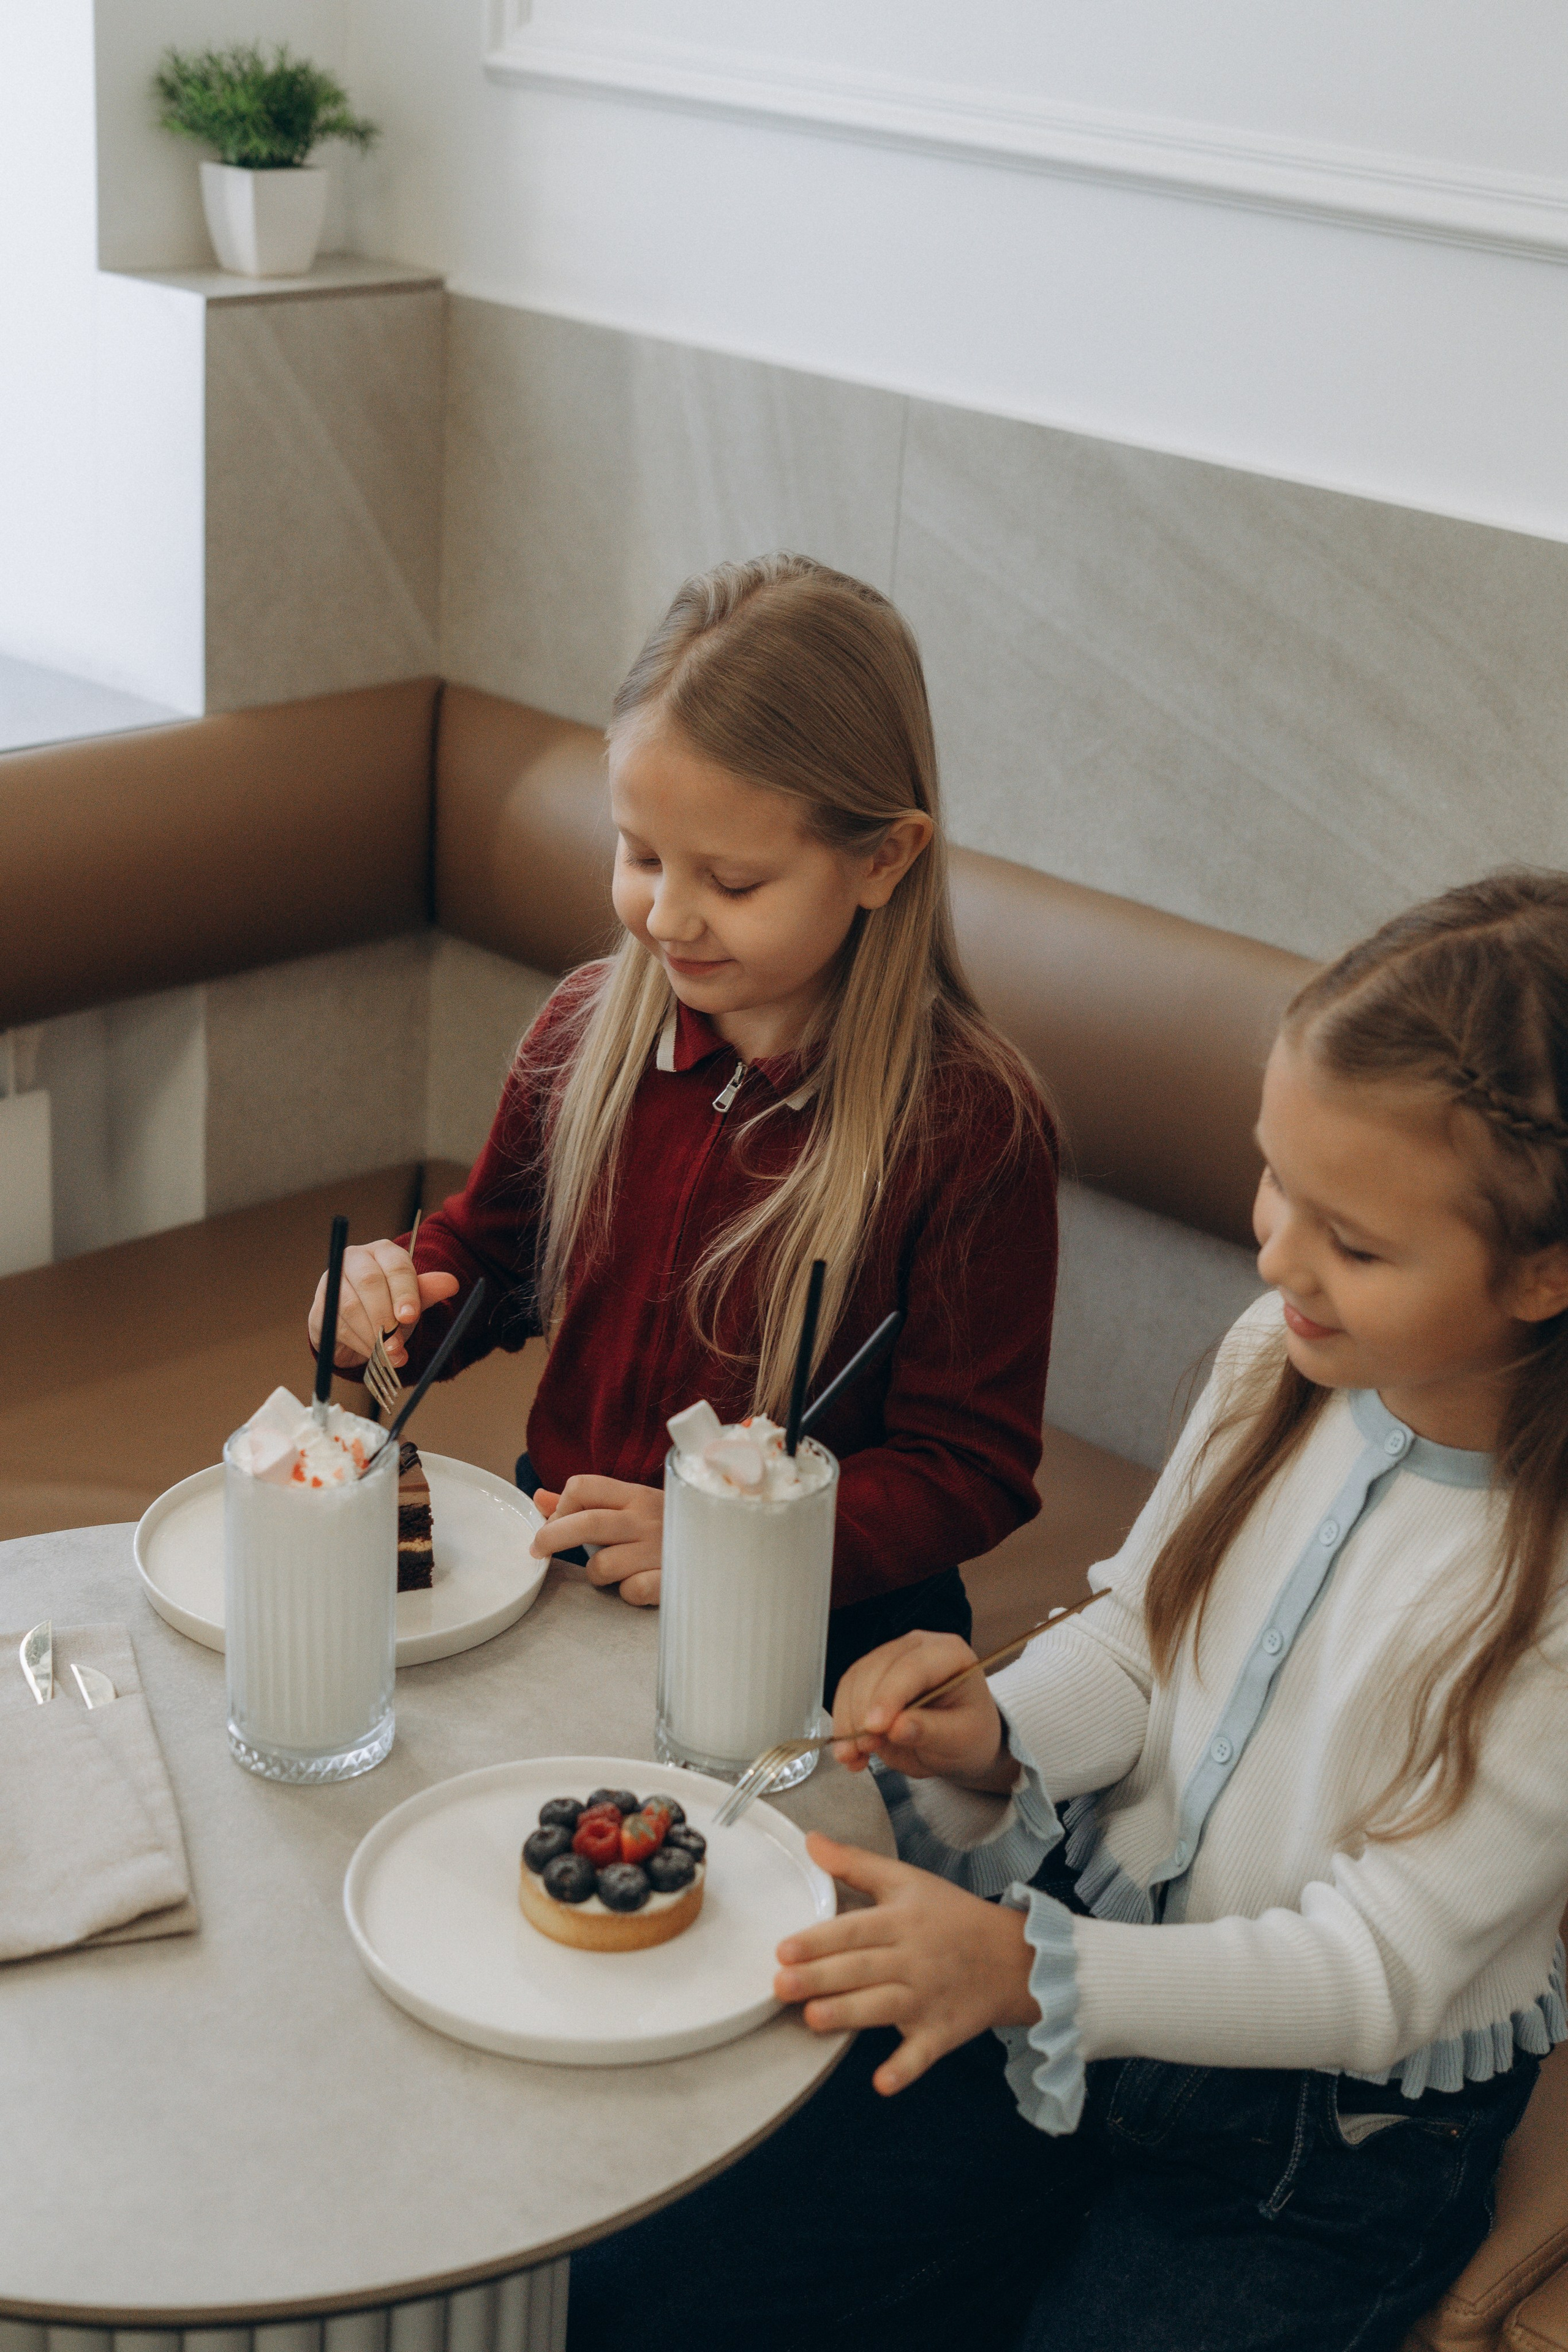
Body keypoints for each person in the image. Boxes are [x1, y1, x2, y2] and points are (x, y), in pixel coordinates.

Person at [568, 871, 1568, 2352]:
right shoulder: (1273, 1359)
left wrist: (1031, 1971)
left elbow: (1374, 1973)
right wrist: (994, 1735)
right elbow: (1140, 1644)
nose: (1276, 1255)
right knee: (664, 2281)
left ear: (1543, 1271)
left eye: (1352, 1243)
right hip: (1062, 1998)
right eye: (1275, 1179)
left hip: (1311, 2152)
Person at [308, 554, 1057, 1688]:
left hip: (819, 1644)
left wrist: (728, 1539)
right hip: (562, 1572)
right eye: (641, 854)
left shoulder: (968, 1127)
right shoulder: (583, 1031)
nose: (665, 914)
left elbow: (972, 1467)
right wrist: (387, 1294)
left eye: (733, 881)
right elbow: (494, 1253)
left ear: (882, 857)